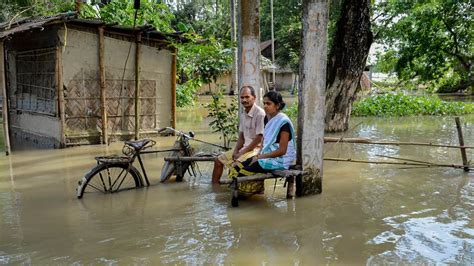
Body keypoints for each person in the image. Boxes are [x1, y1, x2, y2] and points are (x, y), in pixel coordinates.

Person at [229, 91, 296, 196]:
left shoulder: (283, 122)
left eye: (268, 104)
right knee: (236, 167)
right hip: (267, 154)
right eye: (264, 103)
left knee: (244, 172)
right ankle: (250, 193)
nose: (265, 106)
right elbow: (264, 140)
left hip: (281, 160)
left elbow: (282, 151)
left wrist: (260, 157)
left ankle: (245, 196)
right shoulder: (267, 118)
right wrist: (258, 155)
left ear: (277, 105)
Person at [211, 86, 266, 183]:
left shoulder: (260, 114)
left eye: (247, 97)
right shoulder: (243, 114)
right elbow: (241, 137)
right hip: (244, 148)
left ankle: (235, 190)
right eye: (242, 97)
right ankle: (215, 188)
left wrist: (241, 153)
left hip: (256, 149)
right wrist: (235, 150)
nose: (244, 100)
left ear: (254, 97)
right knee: (218, 160)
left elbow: (259, 138)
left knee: (236, 164)